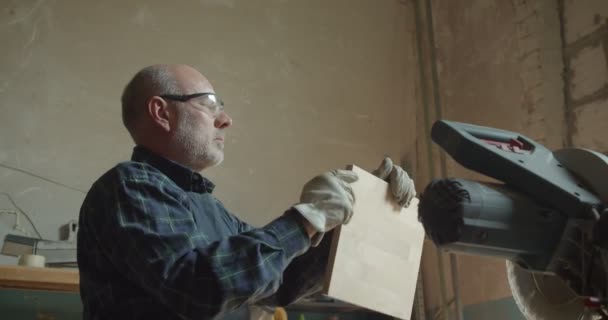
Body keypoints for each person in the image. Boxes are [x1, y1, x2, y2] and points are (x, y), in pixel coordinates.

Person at [76, 64, 416, 320]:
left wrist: (358, 209)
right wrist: (305, 218)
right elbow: (198, 288)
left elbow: (280, 283)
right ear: (162, 112)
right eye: (209, 104)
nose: (225, 120)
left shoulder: (211, 208)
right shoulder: (129, 186)